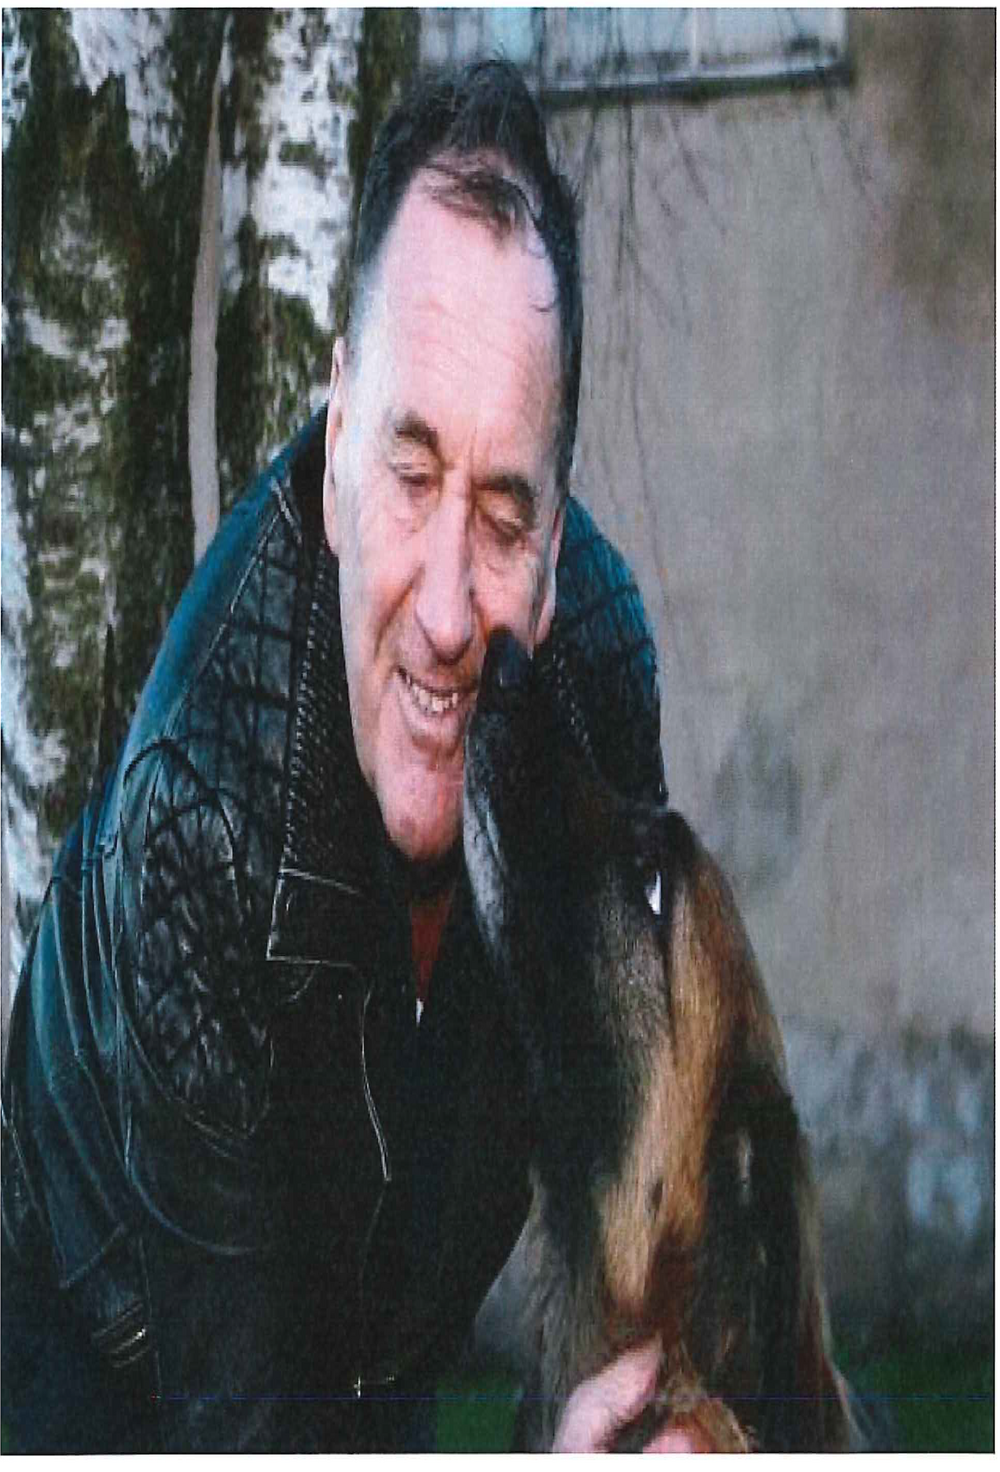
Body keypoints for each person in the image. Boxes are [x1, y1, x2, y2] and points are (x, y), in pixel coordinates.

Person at [1, 59, 673, 1452]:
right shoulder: (202, 808)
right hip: (92, 1332)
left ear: (558, 543)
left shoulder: (598, 682)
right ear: (338, 436)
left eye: (504, 516)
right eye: (412, 475)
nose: (447, 614)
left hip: (366, 1333)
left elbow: (631, 1168)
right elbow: (252, 1423)